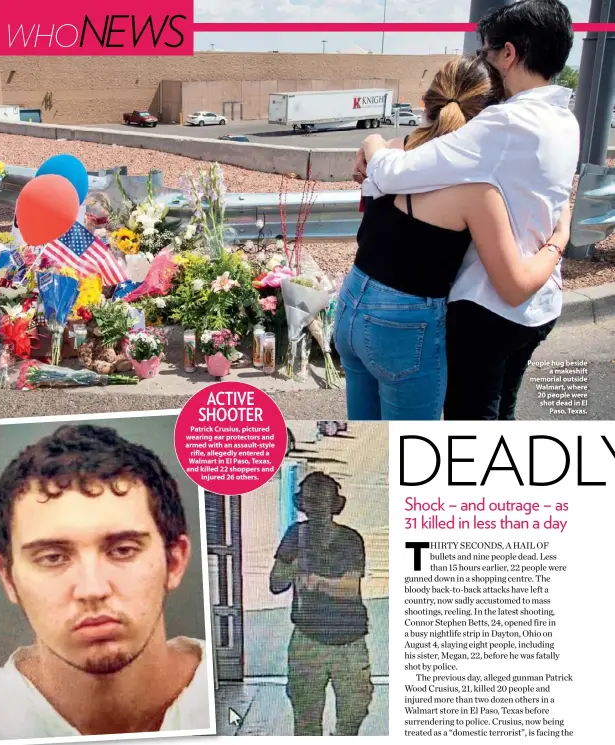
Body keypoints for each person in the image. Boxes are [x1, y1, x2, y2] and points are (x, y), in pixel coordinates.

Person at [354, 0, 579, 420]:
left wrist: (372, 145)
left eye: (486, 53)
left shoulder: (503, 126)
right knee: (501, 414)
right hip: (541, 306)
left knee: (468, 430)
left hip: (488, 309)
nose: (485, 62)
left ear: (508, 54)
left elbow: (395, 174)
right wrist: (558, 237)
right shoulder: (566, 120)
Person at [0, 424, 211, 738]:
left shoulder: (233, 698)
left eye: (123, 550)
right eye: (52, 557)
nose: (92, 589)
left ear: (174, 562)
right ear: (8, 578)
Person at [269, 471, 372, 736]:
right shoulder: (295, 536)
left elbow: (350, 589)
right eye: (311, 501)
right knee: (306, 722)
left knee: (353, 715)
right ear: (303, 505)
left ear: (333, 505)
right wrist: (292, 567)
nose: (316, 508)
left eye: (321, 502)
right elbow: (276, 583)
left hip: (349, 644)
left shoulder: (350, 539)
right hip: (308, 640)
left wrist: (316, 581)